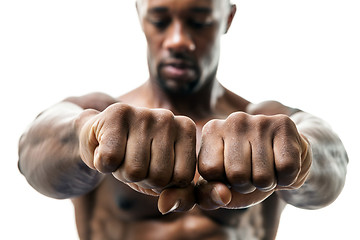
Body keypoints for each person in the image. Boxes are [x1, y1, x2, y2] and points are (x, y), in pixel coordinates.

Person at [18, 0, 349, 239]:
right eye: (160, 20)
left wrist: (301, 155)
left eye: (200, 20)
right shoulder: (104, 120)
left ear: (227, 17)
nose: (177, 40)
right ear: (139, 12)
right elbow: (32, 151)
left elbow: (332, 161)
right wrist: (85, 136)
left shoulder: (265, 124)